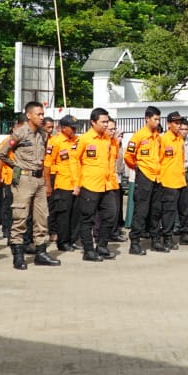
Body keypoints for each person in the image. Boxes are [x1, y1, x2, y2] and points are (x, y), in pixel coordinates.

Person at [0, 101, 60, 269]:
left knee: (41, 218)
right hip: (23, 180)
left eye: (42, 114)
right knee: (20, 217)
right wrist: (15, 166)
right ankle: (18, 255)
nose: (42, 117)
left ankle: (41, 252)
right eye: (38, 114)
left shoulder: (43, 135)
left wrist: (46, 183)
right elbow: (2, 154)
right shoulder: (19, 134)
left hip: (39, 180)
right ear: (29, 115)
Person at [72, 108, 120, 262]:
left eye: (107, 121)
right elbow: (74, 160)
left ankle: (102, 245)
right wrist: (76, 183)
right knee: (87, 218)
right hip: (89, 184)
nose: (106, 125)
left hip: (107, 184)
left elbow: (113, 157)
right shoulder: (84, 139)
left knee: (111, 215)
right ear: (93, 122)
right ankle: (88, 250)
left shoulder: (108, 139)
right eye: (103, 122)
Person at [123, 106, 163, 256]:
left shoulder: (157, 136)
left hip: (157, 177)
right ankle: (135, 243)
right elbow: (128, 156)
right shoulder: (139, 136)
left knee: (156, 210)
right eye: (155, 119)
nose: (158, 122)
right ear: (147, 118)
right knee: (141, 211)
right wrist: (137, 167)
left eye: (159, 119)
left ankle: (155, 240)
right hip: (144, 176)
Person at [154, 111, 188, 251]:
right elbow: (157, 160)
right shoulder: (162, 139)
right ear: (169, 124)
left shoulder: (180, 139)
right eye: (176, 123)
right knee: (168, 211)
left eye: (180, 123)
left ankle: (185, 233)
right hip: (167, 181)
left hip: (180, 179)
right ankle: (167, 237)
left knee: (185, 209)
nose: (179, 126)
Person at [46, 115, 80, 252]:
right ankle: (63, 241)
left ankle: (73, 239)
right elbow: (47, 164)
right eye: (72, 128)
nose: (74, 130)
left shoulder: (78, 141)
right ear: (63, 128)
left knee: (76, 214)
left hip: (77, 183)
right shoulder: (55, 142)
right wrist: (48, 184)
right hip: (62, 183)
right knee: (63, 215)